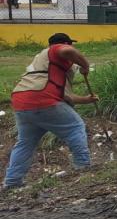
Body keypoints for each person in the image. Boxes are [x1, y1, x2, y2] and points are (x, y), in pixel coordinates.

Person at [3, 34, 98, 189]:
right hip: (42, 98)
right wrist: (85, 65)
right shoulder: (55, 50)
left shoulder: (45, 64)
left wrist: (86, 99)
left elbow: (64, 96)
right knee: (75, 128)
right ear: (66, 43)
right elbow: (68, 51)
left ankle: (12, 182)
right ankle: (83, 168)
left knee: (25, 143)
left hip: (21, 101)